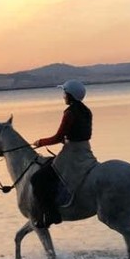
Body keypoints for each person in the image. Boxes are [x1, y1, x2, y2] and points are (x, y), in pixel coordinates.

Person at [30, 80, 95, 228]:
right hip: (85, 150)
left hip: (71, 153)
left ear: (70, 95)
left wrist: (40, 142)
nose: (63, 96)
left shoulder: (70, 112)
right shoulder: (86, 110)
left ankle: (51, 214)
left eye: (64, 93)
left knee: (37, 179)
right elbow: (81, 134)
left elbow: (58, 137)